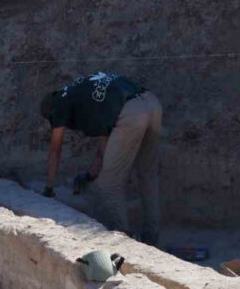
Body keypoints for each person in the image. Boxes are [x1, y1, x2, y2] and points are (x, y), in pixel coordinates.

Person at [40, 72, 163, 245]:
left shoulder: (59, 104)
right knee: (147, 175)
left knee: (109, 184)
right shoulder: (83, 95)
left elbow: (55, 149)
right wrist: (89, 176)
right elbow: (103, 150)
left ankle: (125, 243)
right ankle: (152, 239)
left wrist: (49, 188)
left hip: (132, 112)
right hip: (152, 103)